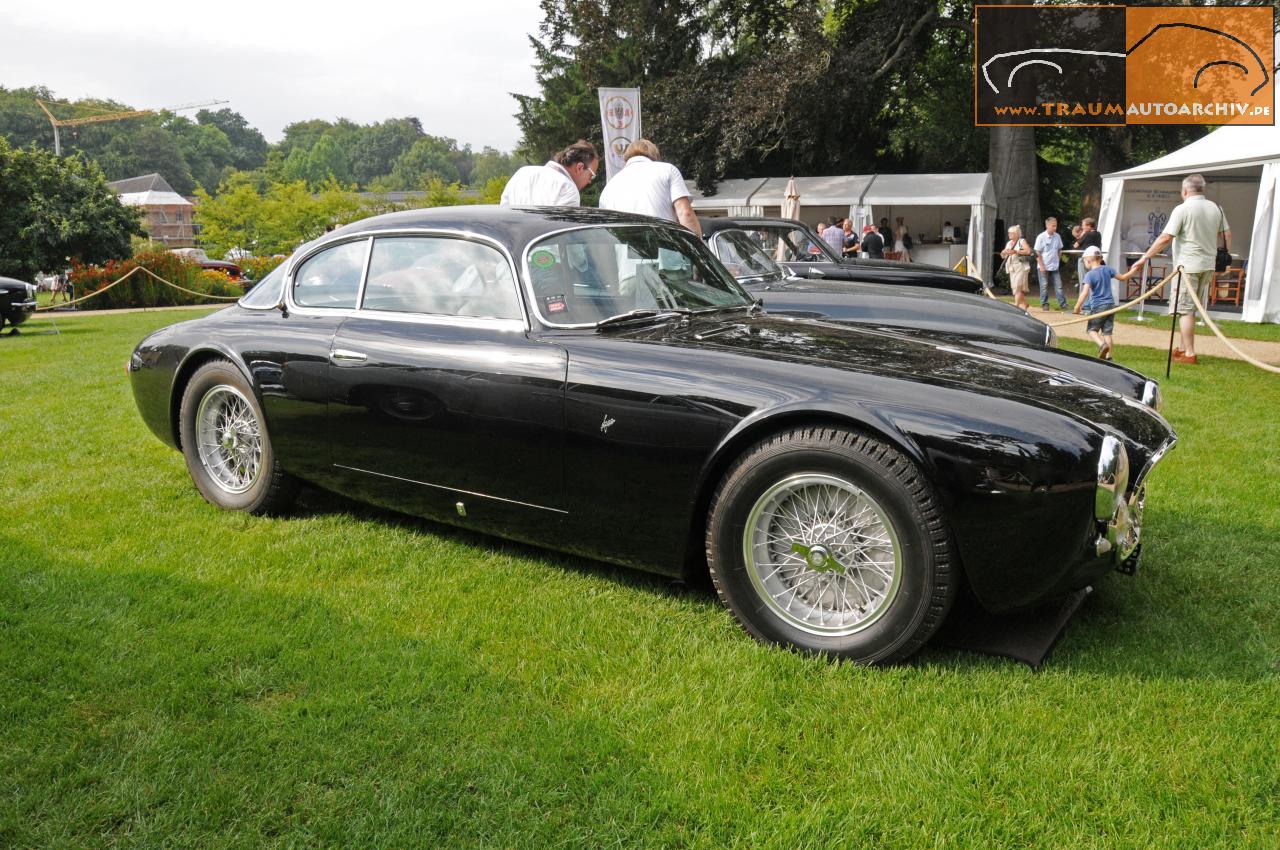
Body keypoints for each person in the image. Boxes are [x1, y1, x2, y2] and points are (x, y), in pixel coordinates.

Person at [1129, 173, 1229, 364]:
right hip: (1207, 264)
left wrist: (1145, 257)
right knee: (1190, 309)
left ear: (1184, 190)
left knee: (1185, 309)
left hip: (1188, 266)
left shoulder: (1183, 209)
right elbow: (1226, 234)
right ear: (1202, 189)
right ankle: (1182, 348)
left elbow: (1165, 237)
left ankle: (1190, 353)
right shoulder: (1216, 209)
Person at [597, 138, 701, 236]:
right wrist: (699, 246)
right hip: (664, 249)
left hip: (622, 252)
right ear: (655, 157)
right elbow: (685, 213)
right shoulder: (667, 170)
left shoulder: (609, 187)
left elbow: (604, 233)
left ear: (626, 160)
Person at [1072, 245, 1135, 360]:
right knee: (1107, 333)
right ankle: (1109, 356)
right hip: (1111, 306)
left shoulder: (1089, 275)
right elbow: (1123, 277)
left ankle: (1102, 345)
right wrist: (1134, 269)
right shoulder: (1108, 269)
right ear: (1100, 258)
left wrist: (1077, 307)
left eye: (1085, 261)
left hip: (1098, 306)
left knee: (1091, 330)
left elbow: (1084, 293)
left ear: (1089, 261)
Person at [500, 139, 598, 206]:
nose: (590, 181)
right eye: (591, 175)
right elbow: (561, 234)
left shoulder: (522, 173)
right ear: (580, 167)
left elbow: (504, 211)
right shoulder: (568, 190)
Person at [1034, 216, 1067, 310]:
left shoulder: (1057, 236)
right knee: (1044, 286)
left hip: (1054, 266)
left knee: (1059, 285)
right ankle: (1044, 303)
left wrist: (1058, 260)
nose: (1055, 228)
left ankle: (1063, 304)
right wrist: (1041, 266)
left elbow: (1060, 250)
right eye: (1053, 226)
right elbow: (1037, 253)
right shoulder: (1041, 237)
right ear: (1047, 225)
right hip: (1043, 266)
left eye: (1056, 226)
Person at [1000, 225, 1034, 312]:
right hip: (1012, 268)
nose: (1009, 234)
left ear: (1017, 234)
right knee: (1015, 288)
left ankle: (1016, 307)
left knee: (1017, 287)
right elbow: (1003, 255)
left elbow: (1028, 251)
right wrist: (1004, 252)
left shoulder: (1021, 241)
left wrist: (1015, 251)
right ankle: (1025, 304)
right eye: (1009, 233)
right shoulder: (1009, 243)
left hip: (1021, 267)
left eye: (1011, 233)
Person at [1073, 217, 1102, 294]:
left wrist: (1082, 234)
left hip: (1084, 259)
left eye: (1083, 226)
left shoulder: (1087, 234)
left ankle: (1084, 302)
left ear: (1089, 226)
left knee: (1083, 280)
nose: (1082, 228)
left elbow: (1076, 245)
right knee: (1092, 280)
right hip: (1095, 260)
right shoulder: (1098, 234)